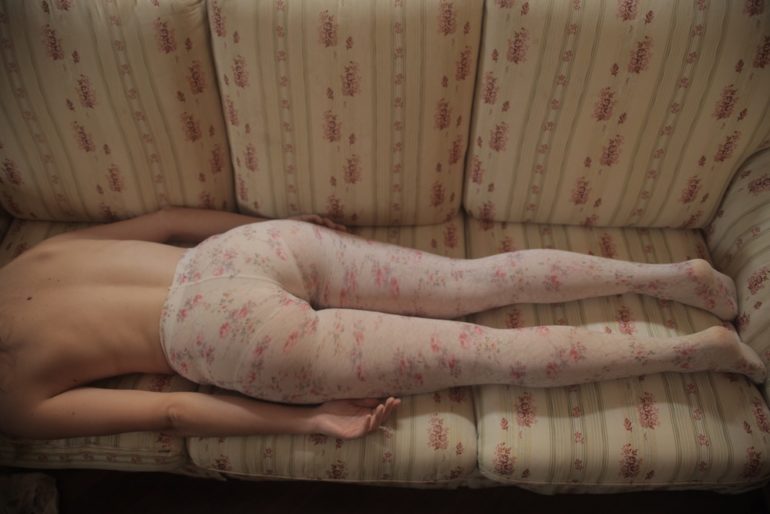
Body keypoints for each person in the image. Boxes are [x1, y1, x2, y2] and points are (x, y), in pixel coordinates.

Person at [0, 207, 764, 442]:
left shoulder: (11, 400)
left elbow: (169, 412)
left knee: (488, 353)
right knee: (473, 281)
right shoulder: (29, 260)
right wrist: (277, 224)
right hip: (245, 251)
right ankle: (675, 280)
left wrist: (309, 423)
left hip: (226, 337)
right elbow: (169, 220)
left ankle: (699, 353)